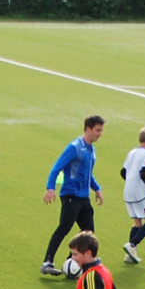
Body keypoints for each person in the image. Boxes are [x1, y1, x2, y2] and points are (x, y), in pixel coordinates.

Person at [40, 115, 105, 276]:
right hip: (70, 195)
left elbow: (87, 174)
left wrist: (97, 189)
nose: (100, 134)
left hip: (84, 197)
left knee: (88, 232)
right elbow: (56, 168)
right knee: (64, 227)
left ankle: (74, 263)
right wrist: (50, 188)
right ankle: (47, 262)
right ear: (88, 129)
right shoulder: (75, 147)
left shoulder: (91, 149)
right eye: (98, 130)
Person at [121, 126, 145, 264]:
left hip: (127, 191)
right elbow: (143, 173)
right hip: (139, 193)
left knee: (137, 222)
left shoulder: (132, 152)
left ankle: (130, 254)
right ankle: (132, 245)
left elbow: (123, 172)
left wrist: (131, 182)